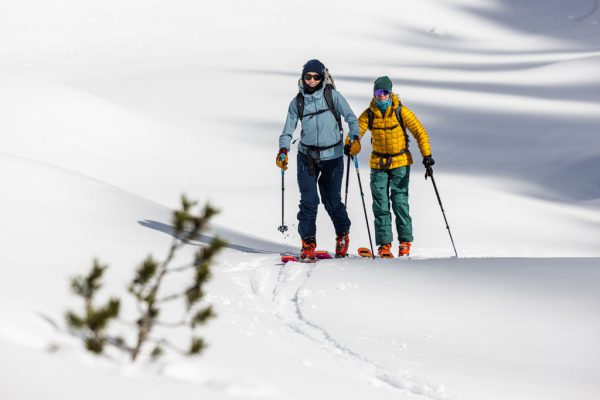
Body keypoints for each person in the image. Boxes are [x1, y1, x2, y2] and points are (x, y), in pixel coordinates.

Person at [276, 59, 360, 261]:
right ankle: (308, 242)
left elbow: (351, 118)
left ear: (322, 78)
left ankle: (342, 235)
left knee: (331, 201)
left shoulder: (333, 96)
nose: (312, 80)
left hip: (333, 157)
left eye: (316, 77)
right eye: (308, 76)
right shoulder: (297, 102)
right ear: (303, 78)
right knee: (309, 200)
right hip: (307, 157)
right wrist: (283, 149)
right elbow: (288, 129)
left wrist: (354, 137)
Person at [345, 76, 434, 258]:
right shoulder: (369, 113)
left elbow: (420, 132)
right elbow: (356, 131)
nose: (382, 96)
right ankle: (384, 246)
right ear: (374, 94)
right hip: (378, 163)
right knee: (380, 204)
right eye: (379, 93)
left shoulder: (401, 111)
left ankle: (404, 243)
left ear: (391, 93)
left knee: (400, 202)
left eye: (386, 92)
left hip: (400, 162)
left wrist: (427, 156)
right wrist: (350, 144)